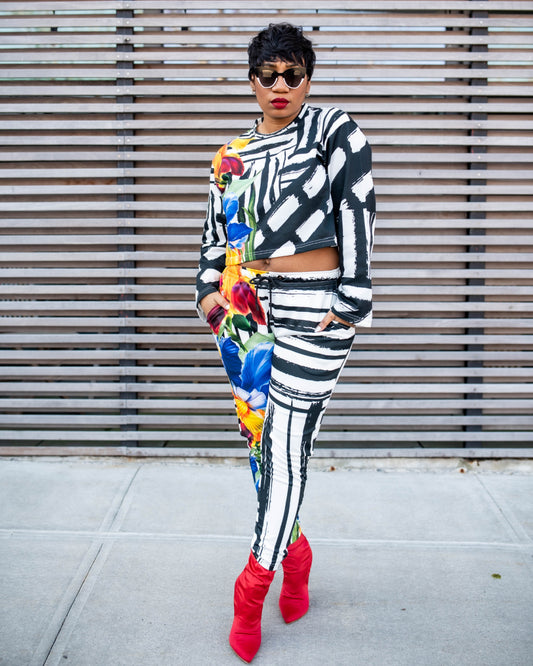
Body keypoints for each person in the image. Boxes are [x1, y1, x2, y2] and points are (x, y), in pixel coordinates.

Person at [195, 22, 375, 663]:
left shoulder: (333, 130)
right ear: (251, 81)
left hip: (316, 309)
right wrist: (210, 294)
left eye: (292, 74)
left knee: (288, 444)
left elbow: (358, 210)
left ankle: (253, 587)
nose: (280, 86)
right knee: (262, 447)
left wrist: (353, 301)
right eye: (268, 75)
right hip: (244, 311)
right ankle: (294, 555)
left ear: (308, 78)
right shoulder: (229, 156)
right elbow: (216, 239)